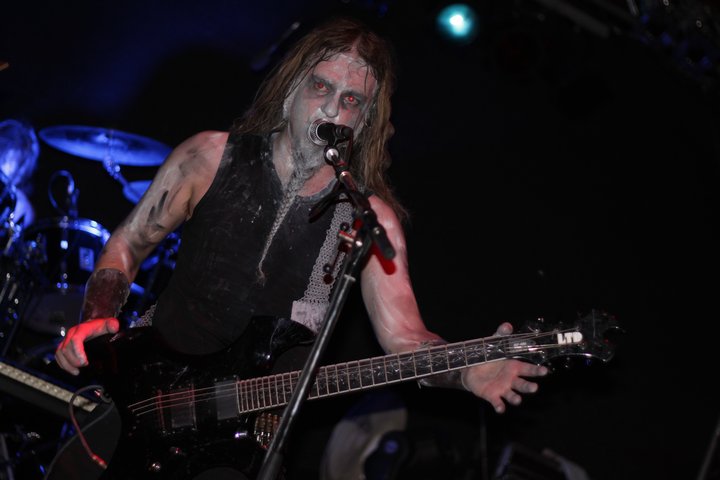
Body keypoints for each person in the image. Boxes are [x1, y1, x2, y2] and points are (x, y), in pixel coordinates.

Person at [54, 15, 548, 478]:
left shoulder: (371, 220)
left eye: (351, 100)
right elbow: (129, 243)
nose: (332, 109)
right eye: (321, 87)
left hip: (242, 442)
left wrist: (464, 372)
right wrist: (99, 315)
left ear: (365, 121)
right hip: (146, 395)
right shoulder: (208, 157)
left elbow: (405, 339)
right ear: (292, 89)